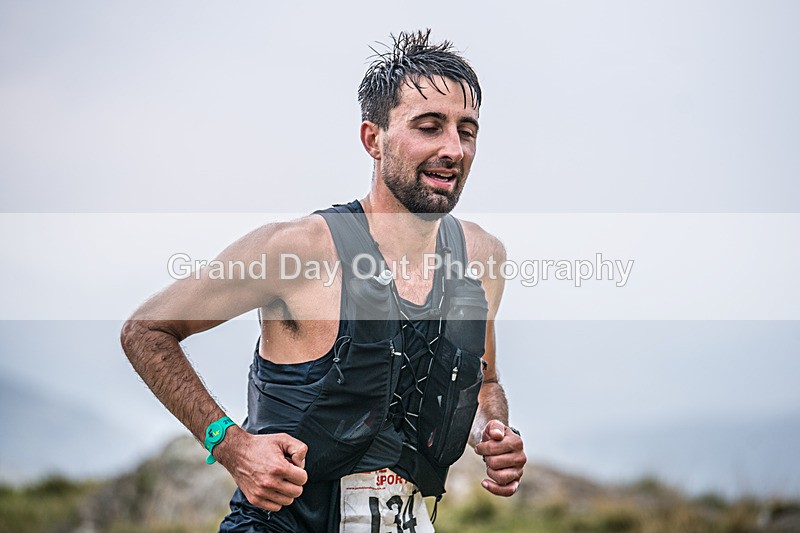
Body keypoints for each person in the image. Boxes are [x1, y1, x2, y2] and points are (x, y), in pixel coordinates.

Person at [121, 29, 526, 532]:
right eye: (429, 126)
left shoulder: (482, 256)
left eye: (466, 131)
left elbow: (484, 380)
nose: (454, 149)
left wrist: (492, 429)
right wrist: (231, 445)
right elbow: (145, 331)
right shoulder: (298, 250)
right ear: (372, 139)